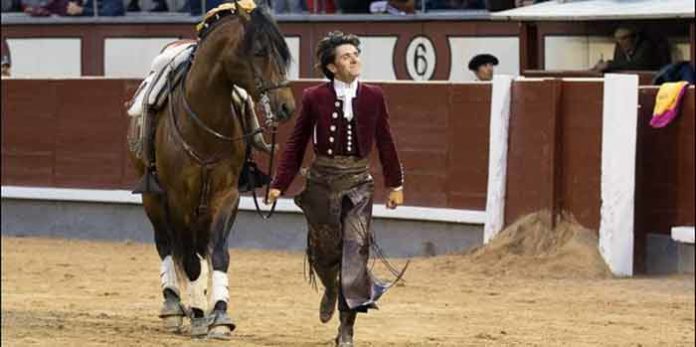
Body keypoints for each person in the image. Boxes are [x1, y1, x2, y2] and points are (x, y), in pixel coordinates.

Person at [266, 31, 405, 346]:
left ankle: (346, 329)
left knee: (355, 254)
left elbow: (385, 140)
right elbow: (297, 142)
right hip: (321, 183)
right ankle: (331, 286)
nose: (354, 59)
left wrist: (395, 183)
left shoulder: (374, 95)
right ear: (331, 67)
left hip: (358, 183)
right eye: (346, 55)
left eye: (356, 53)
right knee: (323, 254)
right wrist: (279, 183)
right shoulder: (314, 96)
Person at [592, 26, 668, 73]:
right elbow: (619, 65)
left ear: (635, 38)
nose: (620, 43)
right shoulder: (619, 46)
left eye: (624, 38)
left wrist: (609, 64)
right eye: (617, 39)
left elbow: (639, 65)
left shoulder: (647, 46)